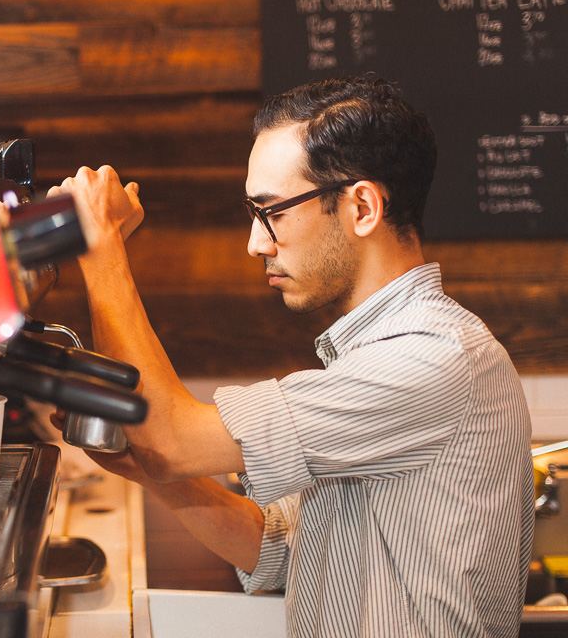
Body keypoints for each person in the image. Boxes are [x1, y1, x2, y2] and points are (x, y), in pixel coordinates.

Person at [43, 75, 534, 637]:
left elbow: (173, 439)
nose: (256, 243)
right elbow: (275, 548)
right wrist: (154, 472)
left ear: (363, 207)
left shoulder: (431, 360)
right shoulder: (372, 356)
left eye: (272, 212)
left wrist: (100, 245)